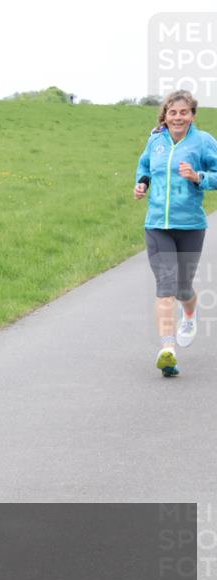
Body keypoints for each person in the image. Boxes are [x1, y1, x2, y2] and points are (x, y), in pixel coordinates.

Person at [134, 89, 217, 377]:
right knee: (166, 285)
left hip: (191, 225)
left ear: (192, 115)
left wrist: (199, 177)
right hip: (157, 224)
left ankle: (190, 314)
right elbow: (144, 166)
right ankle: (168, 350)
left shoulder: (204, 142)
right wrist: (141, 184)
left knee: (183, 287)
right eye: (173, 112)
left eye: (184, 112)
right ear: (165, 116)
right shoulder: (155, 140)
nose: (178, 117)